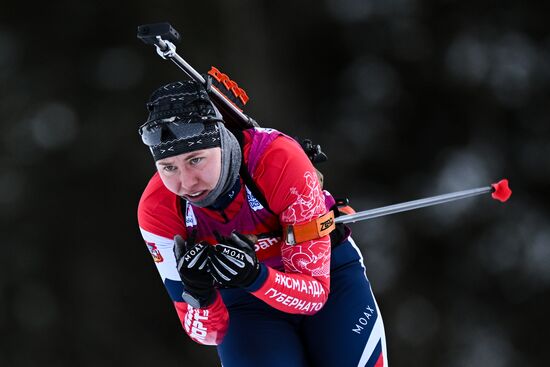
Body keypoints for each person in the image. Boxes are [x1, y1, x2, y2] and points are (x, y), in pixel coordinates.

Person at [137, 79, 388, 367]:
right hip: (244, 307)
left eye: (196, 160)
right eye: (168, 167)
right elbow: (205, 334)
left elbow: (315, 295)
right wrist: (200, 295)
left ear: (221, 141)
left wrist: (255, 276)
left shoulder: (277, 160)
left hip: (332, 283)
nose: (186, 183)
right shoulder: (158, 209)